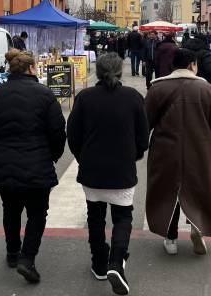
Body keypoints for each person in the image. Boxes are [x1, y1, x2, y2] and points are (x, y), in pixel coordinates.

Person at [0, 49, 67, 284]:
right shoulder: (45, 95)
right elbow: (58, 131)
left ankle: (12, 252)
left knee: (11, 208)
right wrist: (53, 156)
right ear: (31, 69)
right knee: (37, 213)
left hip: (4, 161)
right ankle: (27, 259)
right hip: (37, 163)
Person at [67, 53, 149, 295]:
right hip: (122, 168)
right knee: (123, 217)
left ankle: (99, 264)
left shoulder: (85, 97)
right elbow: (143, 137)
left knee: (95, 216)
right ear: (120, 71)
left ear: (98, 71)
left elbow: (72, 134)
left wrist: (83, 157)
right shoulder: (133, 97)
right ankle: (116, 262)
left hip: (92, 169)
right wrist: (134, 155)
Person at [145, 48, 211, 256]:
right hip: (200, 150)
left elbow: (145, 124)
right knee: (199, 189)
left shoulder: (158, 89)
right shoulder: (206, 90)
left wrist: (136, 148)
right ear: (191, 65)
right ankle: (198, 228)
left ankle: (170, 239)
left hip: (165, 150)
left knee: (168, 193)